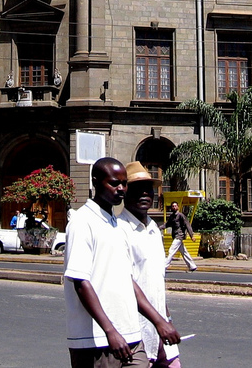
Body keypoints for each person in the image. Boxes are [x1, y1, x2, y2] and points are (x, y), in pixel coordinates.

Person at [64, 157, 177, 368]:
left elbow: (128, 281)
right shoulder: (82, 221)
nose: (121, 189)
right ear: (96, 182)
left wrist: (159, 321)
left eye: (124, 183)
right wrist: (110, 331)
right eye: (114, 183)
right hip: (96, 341)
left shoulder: (115, 224)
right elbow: (80, 282)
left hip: (132, 337)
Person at [119, 161, 183, 368]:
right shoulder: (120, 230)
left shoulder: (154, 229)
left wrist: (167, 317)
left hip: (162, 326)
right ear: (125, 193)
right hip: (136, 328)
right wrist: (158, 321)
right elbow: (126, 283)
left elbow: (156, 280)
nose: (145, 194)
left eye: (149, 190)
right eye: (138, 190)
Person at [161, 202, 197, 272]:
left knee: (171, 250)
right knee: (184, 252)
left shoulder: (181, 216)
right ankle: (192, 266)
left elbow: (187, 225)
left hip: (179, 236)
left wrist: (191, 235)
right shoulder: (172, 216)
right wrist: (159, 227)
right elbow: (167, 224)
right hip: (175, 236)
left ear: (178, 207)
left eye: (175, 206)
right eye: (173, 206)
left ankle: (164, 266)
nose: (174, 207)